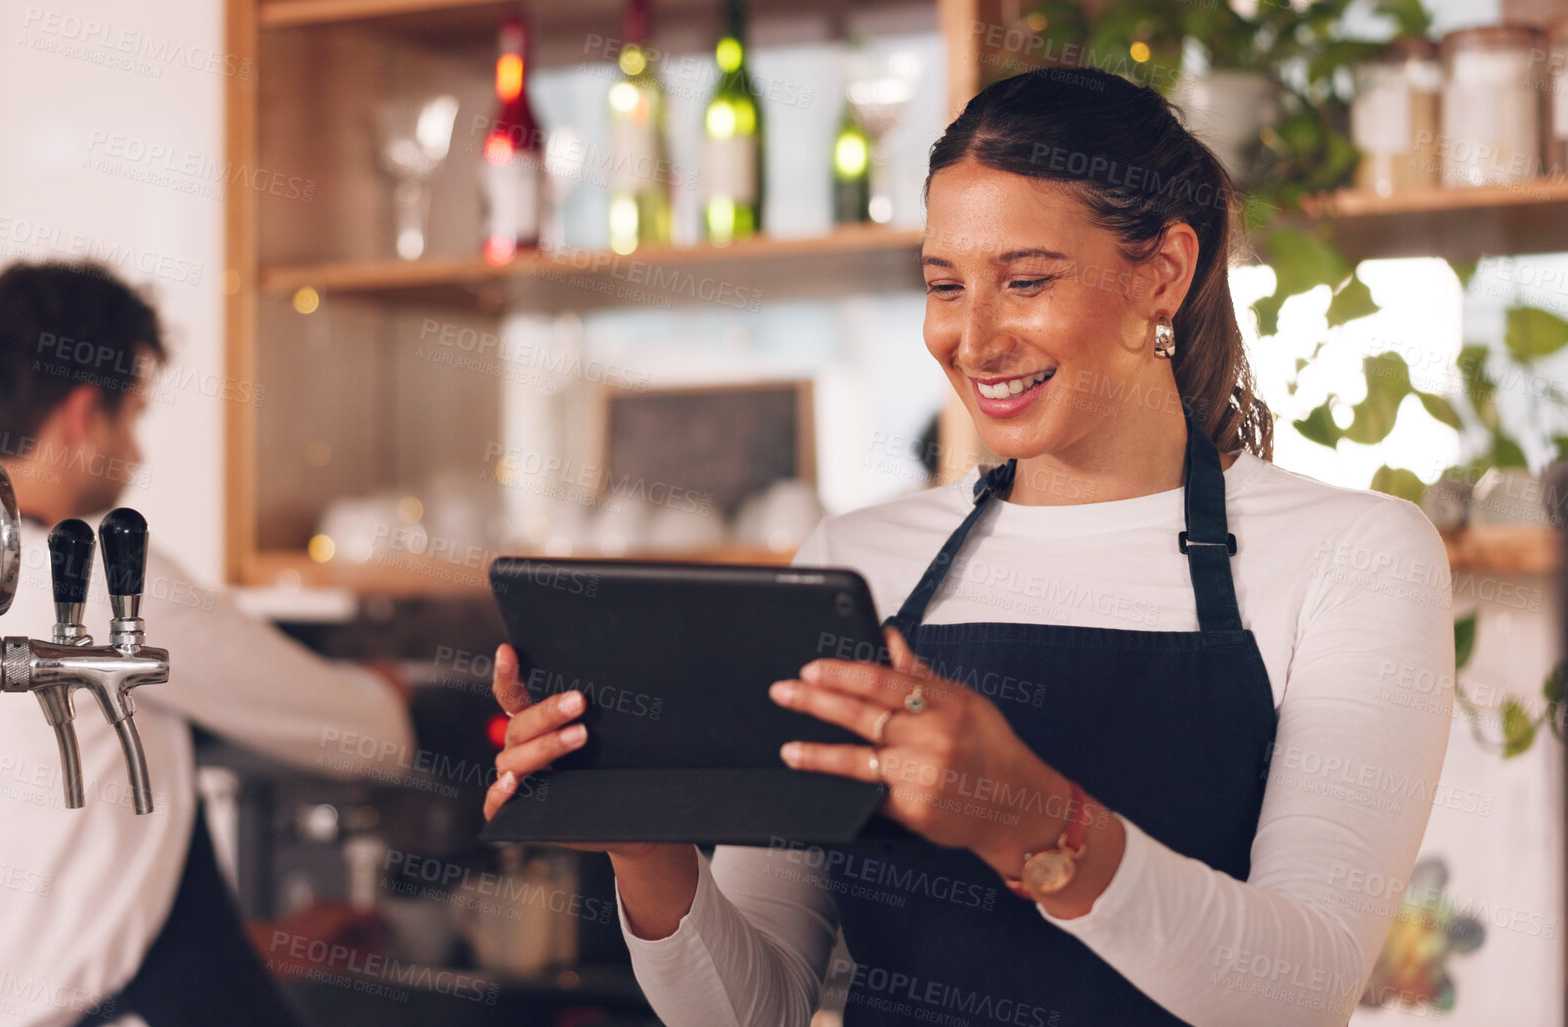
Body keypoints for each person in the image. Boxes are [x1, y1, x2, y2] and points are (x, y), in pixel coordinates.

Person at [485, 67, 1452, 1026]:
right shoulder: (857, 562)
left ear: (1162, 271)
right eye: (944, 285)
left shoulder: (1353, 555)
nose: (973, 338)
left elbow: (1301, 993)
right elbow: (756, 1010)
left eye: (1025, 281)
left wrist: (1033, 820)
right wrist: (646, 843)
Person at [0, 262, 415, 1027]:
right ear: (85, 412)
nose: (139, 454)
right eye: (135, 417)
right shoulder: (104, 575)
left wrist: (264, 940)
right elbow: (367, 736)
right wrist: (387, 689)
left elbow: (39, 900)